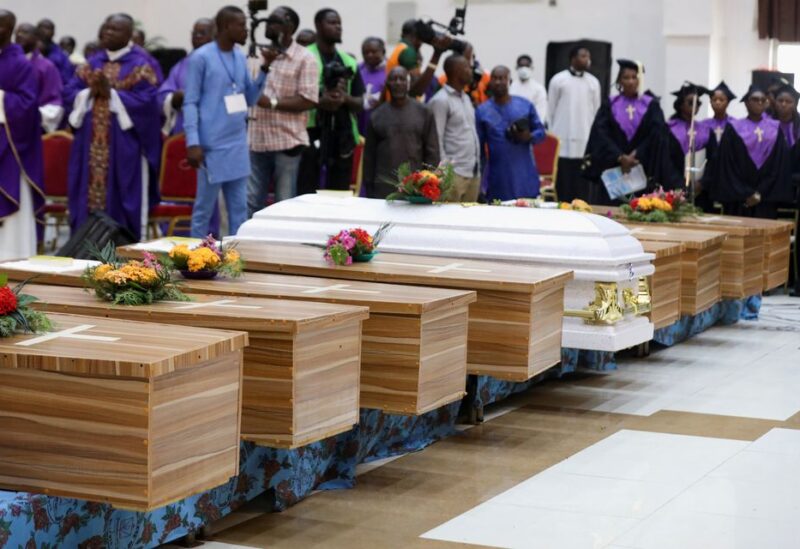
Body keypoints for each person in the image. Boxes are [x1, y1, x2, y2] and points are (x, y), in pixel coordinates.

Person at [64, 13, 162, 239]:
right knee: (85, 198)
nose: (107, 33)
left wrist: (113, 95)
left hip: (122, 149)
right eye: (106, 28)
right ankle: (83, 252)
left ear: (128, 35)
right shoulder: (92, 64)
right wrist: (89, 93)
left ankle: (121, 252)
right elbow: (68, 92)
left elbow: (149, 103)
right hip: (88, 148)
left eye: (115, 29)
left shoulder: (140, 65)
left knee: (120, 197)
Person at [184, 6, 269, 237]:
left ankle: (235, 260)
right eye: (241, 25)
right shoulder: (201, 57)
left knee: (239, 210)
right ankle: (196, 261)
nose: (246, 30)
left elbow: (250, 98)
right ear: (225, 27)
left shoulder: (240, 57)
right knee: (204, 210)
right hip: (210, 146)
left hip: (237, 144)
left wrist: (264, 69)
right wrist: (193, 142)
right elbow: (190, 102)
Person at [247, 6, 318, 213]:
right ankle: (247, 246)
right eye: (268, 20)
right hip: (256, 140)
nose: (268, 24)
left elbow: (309, 100)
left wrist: (273, 103)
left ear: (290, 27)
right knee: (251, 201)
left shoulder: (305, 58)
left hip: (286, 141)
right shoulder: (259, 54)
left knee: (283, 204)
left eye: (275, 21)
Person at [583, 59, 676, 204]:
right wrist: (620, 157)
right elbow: (600, 135)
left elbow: (657, 135)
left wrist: (636, 154)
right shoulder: (610, 104)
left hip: (642, 168)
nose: (631, 81)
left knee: (640, 208)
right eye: (626, 78)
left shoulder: (651, 105)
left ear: (640, 80)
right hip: (613, 168)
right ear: (619, 80)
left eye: (634, 77)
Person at [296, 8, 364, 195]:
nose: (338, 27)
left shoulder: (348, 61)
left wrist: (344, 98)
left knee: (339, 194)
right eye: (332, 23)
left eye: (339, 23)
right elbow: (293, 93)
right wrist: (320, 99)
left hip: (342, 135)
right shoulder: (303, 57)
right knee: (306, 190)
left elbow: (360, 102)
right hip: (309, 131)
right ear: (318, 26)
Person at [0, 10, 44, 260]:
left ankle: (11, 264)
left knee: (10, 232)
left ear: (7, 29)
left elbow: (28, 106)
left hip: (10, 148)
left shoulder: (20, 64)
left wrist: (1, 98)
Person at [712, 84, 792, 218]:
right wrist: (746, 193)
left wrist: (760, 192)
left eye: (763, 100)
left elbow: (778, 165)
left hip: (766, 200)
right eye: (755, 99)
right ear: (747, 103)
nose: (760, 103)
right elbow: (728, 166)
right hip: (738, 200)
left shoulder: (775, 129)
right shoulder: (733, 128)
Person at [363, 66, 439, 198]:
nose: (398, 83)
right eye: (393, 79)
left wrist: (429, 182)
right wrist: (369, 186)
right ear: (387, 84)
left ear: (408, 83)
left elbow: (432, 152)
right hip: (383, 190)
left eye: (402, 79)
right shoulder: (377, 115)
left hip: (416, 188)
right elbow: (369, 157)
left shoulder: (424, 112)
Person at [476, 66, 546, 201]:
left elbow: (541, 132)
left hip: (524, 172)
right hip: (498, 175)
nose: (498, 82)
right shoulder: (482, 111)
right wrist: (480, 183)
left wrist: (529, 137)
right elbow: (479, 151)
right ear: (490, 82)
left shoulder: (525, 105)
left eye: (502, 78)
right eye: (495, 78)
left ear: (510, 81)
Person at [547, 45, 601, 201]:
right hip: (562, 136)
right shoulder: (558, 80)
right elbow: (551, 109)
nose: (587, 59)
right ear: (573, 58)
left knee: (581, 182)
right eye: (583, 55)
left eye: (588, 56)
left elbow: (596, 110)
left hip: (584, 137)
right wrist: (553, 135)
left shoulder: (593, 83)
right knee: (563, 178)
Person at [429, 55, 481, 202]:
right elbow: (436, 138)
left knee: (468, 222)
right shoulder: (440, 100)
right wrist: (445, 171)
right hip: (454, 174)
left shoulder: (466, 98)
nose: (471, 71)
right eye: (467, 67)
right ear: (455, 71)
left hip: (473, 172)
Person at [158, 18, 214, 135]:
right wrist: (174, 98)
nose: (197, 36)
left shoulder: (224, 62)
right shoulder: (182, 65)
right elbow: (162, 95)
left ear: (215, 36)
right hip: (185, 129)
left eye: (202, 33)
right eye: (194, 33)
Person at [15, 22, 64, 133]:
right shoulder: (7, 62)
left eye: (25, 32)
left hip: (32, 126)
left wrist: (32, 115)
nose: (19, 35)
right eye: (17, 32)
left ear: (37, 38)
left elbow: (53, 102)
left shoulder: (47, 67)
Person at [386, 19, 451, 100]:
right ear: (418, 35)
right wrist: (436, 55)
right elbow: (418, 90)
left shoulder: (401, 47)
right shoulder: (408, 52)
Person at [666, 82, 710, 191]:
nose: (695, 106)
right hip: (674, 188)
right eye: (691, 102)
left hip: (700, 189)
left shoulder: (705, 130)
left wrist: (702, 183)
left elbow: (712, 160)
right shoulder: (668, 129)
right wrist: (680, 184)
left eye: (698, 103)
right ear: (681, 104)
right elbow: (666, 161)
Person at [357, 36, 386, 135]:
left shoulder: (391, 71)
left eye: (374, 52)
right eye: (366, 52)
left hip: (382, 126)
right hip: (360, 125)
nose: (369, 55)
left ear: (383, 52)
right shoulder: (358, 69)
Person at [510, 54, 548, 125]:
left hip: (531, 128)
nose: (524, 69)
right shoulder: (510, 87)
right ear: (516, 68)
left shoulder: (539, 89)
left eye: (527, 66)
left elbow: (541, 111)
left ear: (531, 68)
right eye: (521, 66)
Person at [36, 18, 73, 84]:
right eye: (41, 28)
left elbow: (66, 79)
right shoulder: (29, 50)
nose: (43, 31)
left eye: (47, 28)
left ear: (53, 32)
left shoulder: (61, 55)